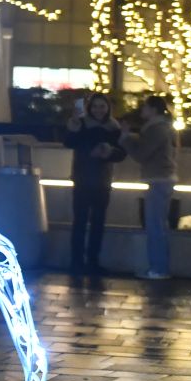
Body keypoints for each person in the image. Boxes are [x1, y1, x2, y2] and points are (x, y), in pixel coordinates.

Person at [62, 92, 125, 272]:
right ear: (89, 108)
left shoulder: (113, 127)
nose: (98, 110)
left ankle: (92, 261)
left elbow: (121, 153)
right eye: (95, 106)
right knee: (80, 222)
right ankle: (77, 261)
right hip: (82, 178)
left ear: (108, 108)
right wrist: (73, 126)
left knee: (98, 223)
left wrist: (109, 151)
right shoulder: (81, 124)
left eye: (102, 106)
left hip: (102, 180)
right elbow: (68, 142)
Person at [126, 94, 179, 279]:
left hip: (157, 179)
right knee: (159, 225)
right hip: (163, 179)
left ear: (153, 109)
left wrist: (126, 139)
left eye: (145, 107)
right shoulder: (165, 128)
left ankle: (158, 268)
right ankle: (159, 267)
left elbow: (142, 154)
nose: (142, 110)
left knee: (155, 226)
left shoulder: (156, 129)